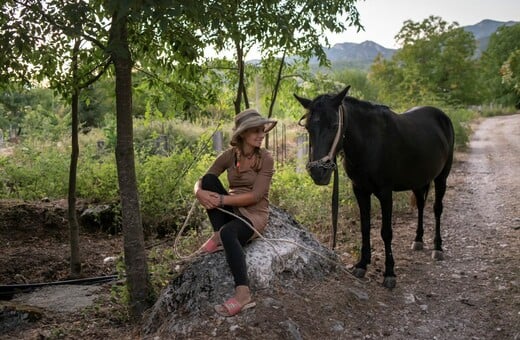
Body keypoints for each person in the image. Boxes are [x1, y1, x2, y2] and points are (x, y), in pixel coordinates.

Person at [193, 108, 277, 317]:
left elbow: (256, 196)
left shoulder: (266, 158)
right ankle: (219, 233)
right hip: (232, 209)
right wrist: (198, 192)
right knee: (210, 181)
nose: (261, 135)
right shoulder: (229, 156)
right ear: (242, 134)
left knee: (229, 233)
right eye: (255, 131)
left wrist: (220, 200)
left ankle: (243, 293)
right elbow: (204, 179)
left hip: (253, 214)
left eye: (262, 130)